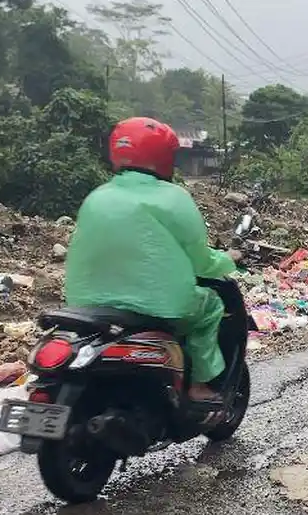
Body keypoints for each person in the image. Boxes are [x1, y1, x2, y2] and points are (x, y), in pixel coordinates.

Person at [64, 117, 239, 403]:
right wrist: (228, 260)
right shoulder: (174, 198)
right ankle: (198, 386)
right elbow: (202, 262)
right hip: (160, 306)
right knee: (210, 308)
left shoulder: (97, 197)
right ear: (163, 156)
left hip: (86, 305)